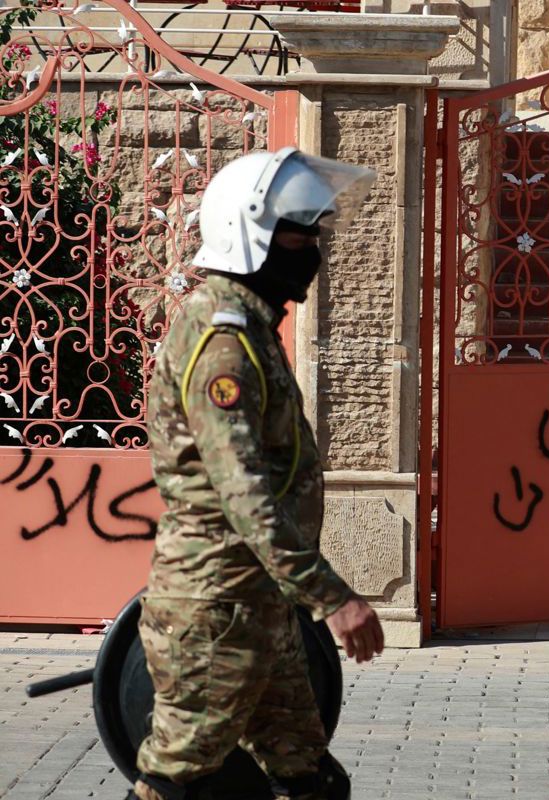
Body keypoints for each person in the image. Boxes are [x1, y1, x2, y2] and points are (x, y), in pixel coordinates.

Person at [133, 148, 384, 800]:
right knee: (174, 782)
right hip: (217, 607)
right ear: (252, 236)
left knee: (309, 776)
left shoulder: (248, 326)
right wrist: (333, 598)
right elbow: (245, 493)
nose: (314, 251)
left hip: (257, 606)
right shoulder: (223, 342)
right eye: (302, 235)